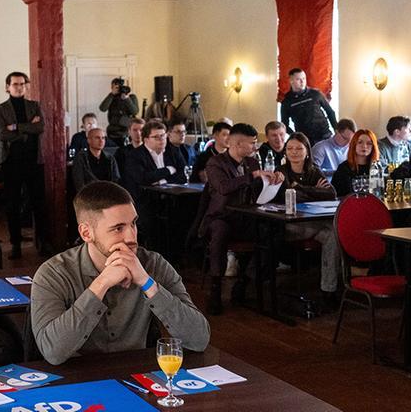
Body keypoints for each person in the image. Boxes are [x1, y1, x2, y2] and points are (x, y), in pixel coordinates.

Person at [31, 181, 209, 365]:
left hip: (138, 378)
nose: (132, 237)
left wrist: (147, 283)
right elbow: (52, 351)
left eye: (133, 224)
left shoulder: (153, 264)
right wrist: (101, 284)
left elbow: (199, 339)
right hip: (77, 380)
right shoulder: (53, 273)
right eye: (118, 228)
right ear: (86, 233)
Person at [201, 123, 284, 314]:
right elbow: (223, 187)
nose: (255, 147)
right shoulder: (215, 163)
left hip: (246, 216)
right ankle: (216, 287)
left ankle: (246, 279)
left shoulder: (252, 162)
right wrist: (252, 176)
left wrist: (274, 179)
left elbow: (257, 189)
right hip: (221, 216)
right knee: (220, 233)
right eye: (252, 143)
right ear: (238, 144)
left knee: (272, 232)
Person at [276, 133, 340, 301]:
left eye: (299, 148)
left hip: (312, 223)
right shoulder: (281, 171)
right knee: (332, 227)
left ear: (307, 152)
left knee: (333, 235)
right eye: (290, 149)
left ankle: (329, 289)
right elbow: (289, 194)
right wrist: (314, 191)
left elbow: (331, 193)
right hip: (289, 226)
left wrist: (301, 187)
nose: (294, 152)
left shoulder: (313, 170)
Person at [0, 71, 45, 259]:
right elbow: (1, 134)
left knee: (38, 202)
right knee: (12, 204)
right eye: (15, 84)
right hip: (11, 162)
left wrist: (15, 126)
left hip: (33, 161)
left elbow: (40, 128)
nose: (19, 87)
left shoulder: (34, 106)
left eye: (22, 84)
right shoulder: (0, 109)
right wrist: (27, 128)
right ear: (8, 87)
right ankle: (15, 245)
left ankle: (42, 242)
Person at [120, 120, 188, 227]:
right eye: (156, 137)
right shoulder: (135, 155)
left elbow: (183, 175)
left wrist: (162, 181)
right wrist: (168, 170)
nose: (161, 139)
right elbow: (143, 178)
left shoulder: (173, 151)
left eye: (163, 136)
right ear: (146, 139)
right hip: (145, 202)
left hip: (170, 200)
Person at [279, 68, 336, 143]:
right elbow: (284, 124)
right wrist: (296, 136)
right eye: (298, 79)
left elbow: (330, 112)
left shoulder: (316, 93)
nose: (302, 82)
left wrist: (336, 130)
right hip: (306, 140)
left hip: (324, 135)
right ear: (291, 81)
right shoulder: (287, 101)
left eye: (304, 78)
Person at [331, 129, 380, 197]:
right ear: (354, 145)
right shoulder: (343, 168)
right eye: (360, 142)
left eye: (369, 143)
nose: (364, 146)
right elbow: (337, 195)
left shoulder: (376, 168)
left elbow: (379, 193)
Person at [72, 127, 120, 192]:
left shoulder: (110, 158)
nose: (101, 141)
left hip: (108, 195)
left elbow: (116, 180)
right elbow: (79, 182)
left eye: (103, 138)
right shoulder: (81, 158)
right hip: (88, 196)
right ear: (89, 140)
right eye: (97, 138)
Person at [100, 77, 139, 146]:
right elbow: (102, 108)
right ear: (112, 87)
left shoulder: (131, 97)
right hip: (113, 133)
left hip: (127, 132)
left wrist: (127, 98)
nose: (120, 89)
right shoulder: (111, 97)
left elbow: (135, 111)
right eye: (117, 87)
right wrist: (112, 94)